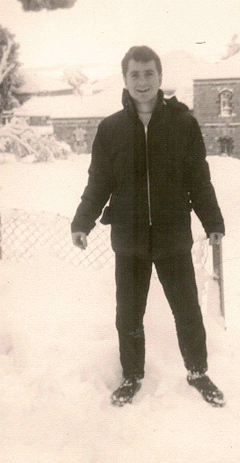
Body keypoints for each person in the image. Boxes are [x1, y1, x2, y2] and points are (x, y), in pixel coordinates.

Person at [71, 46, 225, 407]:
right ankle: (132, 376)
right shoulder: (110, 129)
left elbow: (198, 178)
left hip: (172, 236)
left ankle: (198, 372)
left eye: (149, 73)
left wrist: (212, 220)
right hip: (129, 239)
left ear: (160, 76)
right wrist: (82, 221)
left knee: (187, 308)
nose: (142, 81)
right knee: (128, 313)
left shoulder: (183, 124)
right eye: (135, 74)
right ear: (125, 79)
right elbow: (98, 182)